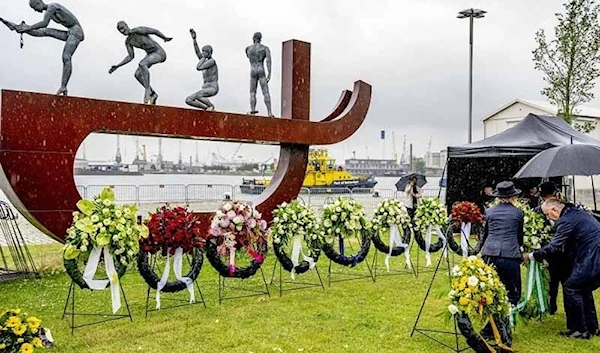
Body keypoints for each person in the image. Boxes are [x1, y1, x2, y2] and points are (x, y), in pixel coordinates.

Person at [526, 198, 600, 339]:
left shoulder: (566, 220)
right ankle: (592, 327)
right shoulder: (576, 213)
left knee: (572, 287)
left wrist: (531, 255)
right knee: (583, 288)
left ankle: (580, 330)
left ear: (554, 210)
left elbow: (554, 246)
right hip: (593, 253)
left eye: (547, 214)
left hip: (593, 256)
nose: (548, 218)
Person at [0, 0, 84, 95]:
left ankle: (63, 86)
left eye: (35, 8)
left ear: (38, 3)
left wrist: (29, 27)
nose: (35, 10)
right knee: (44, 31)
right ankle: (17, 27)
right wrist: (26, 29)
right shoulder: (49, 10)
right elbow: (43, 28)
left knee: (66, 56)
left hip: (76, 32)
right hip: (69, 31)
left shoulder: (52, 7)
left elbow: (44, 23)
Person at [480, 181, 524, 306]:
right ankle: (507, 318)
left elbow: (486, 234)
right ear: (513, 197)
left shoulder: (489, 212)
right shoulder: (518, 213)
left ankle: (493, 320)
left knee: (490, 288)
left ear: (497, 197)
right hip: (510, 255)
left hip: (490, 253)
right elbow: (519, 236)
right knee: (513, 292)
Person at [109, 21, 172, 105]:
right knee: (137, 74)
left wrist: (164, 38)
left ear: (127, 26)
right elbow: (130, 56)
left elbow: (154, 31)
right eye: (121, 31)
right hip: (149, 55)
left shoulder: (138, 30)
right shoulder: (128, 42)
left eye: (123, 29)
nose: (123, 32)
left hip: (159, 52)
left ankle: (147, 91)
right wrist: (118, 65)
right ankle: (152, 94)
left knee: (142, 64)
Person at [534, 182, 565, 315]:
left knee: (564, 280)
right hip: (548, 250)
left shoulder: (563, 209)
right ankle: (550, 304)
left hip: (563, 250)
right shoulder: (537, 212)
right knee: (550, 280)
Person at [185, 29, 218, 110]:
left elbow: (198, 67)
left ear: (209, 53)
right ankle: (205, 108)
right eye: (202, 52)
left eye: (204, 52)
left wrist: (202, 57)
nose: (202, 53)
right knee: (188, 100)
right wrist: (194, 40)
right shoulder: (204, 60)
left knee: (199, 95)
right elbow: (197, 52)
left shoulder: (211, 61)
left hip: (212, 87)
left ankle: (211, 106)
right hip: (205, 88)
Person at [246, 32, 274, 117]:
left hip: (253, 69)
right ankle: (269, 112)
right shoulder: (265, 48)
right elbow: (268, 61)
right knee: (265, 92)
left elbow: (248, 56)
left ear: (253, 38)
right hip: (261, 68)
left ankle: (253, 110)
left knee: (252, 92)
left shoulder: (248, 49)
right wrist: (269, 73)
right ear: (260, 39)